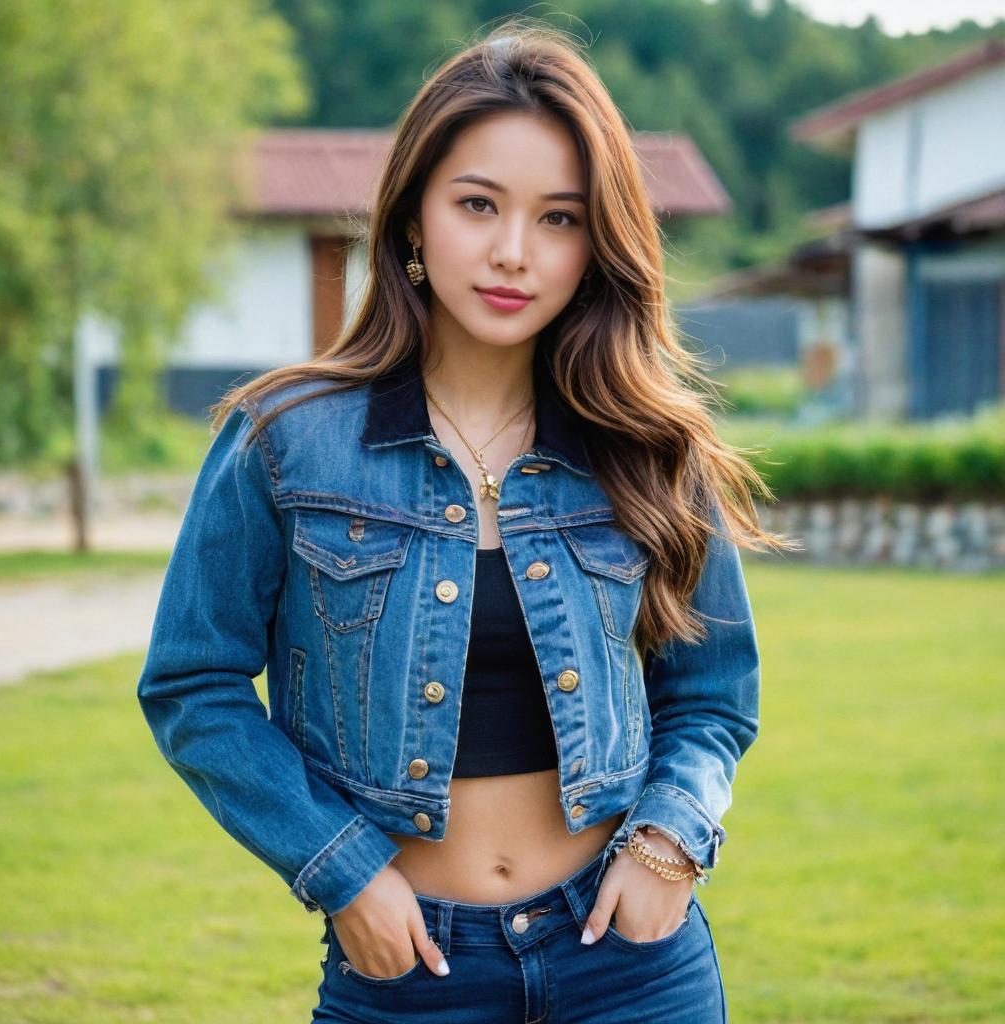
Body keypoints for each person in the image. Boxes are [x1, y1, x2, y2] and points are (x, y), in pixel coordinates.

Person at [137, 20, 792, 1024]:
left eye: (560, 219)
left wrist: (670, 841)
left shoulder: (649, 444)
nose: (512, 252)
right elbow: (195, 683)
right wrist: (342, 868)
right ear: (411, 220)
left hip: (629, 962)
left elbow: (711, 696)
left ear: (595, 245)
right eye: (477, 204)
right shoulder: (284, 440)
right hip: (409, 973)